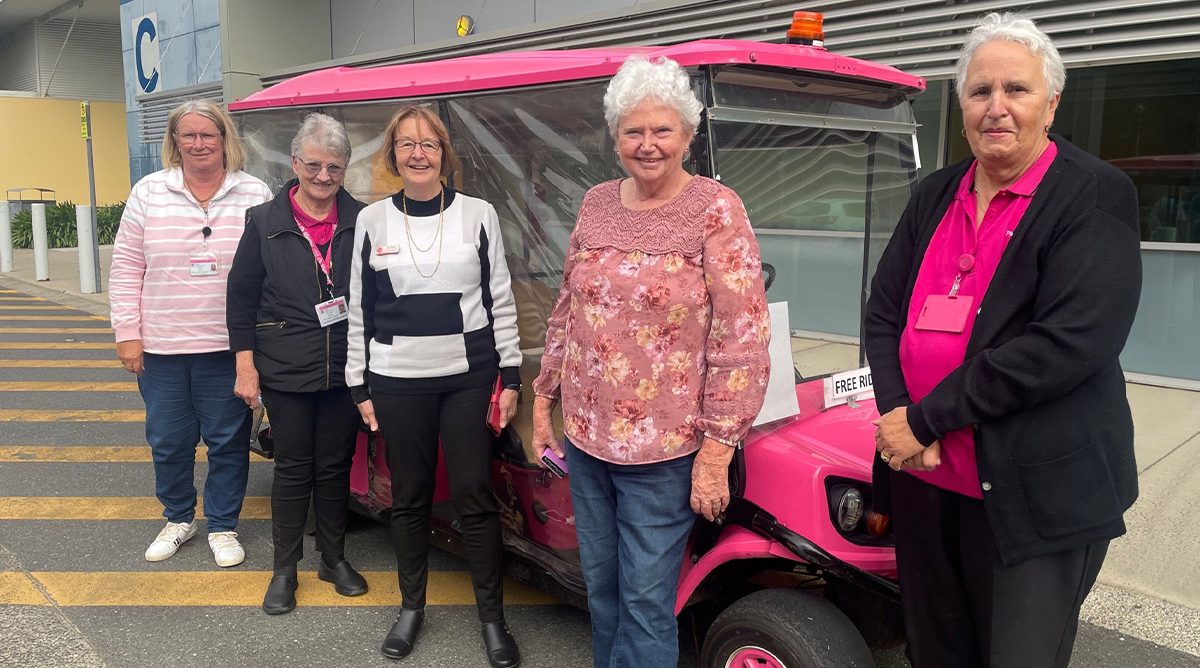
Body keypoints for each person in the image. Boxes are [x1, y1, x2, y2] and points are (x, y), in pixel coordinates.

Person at [864, 13, 1142, 668]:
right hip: (927, 484)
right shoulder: (934, 194)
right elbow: (882, 314)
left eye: (1015, 90)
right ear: (960, 104)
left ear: (1051, 102)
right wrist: (902, 418)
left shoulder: (1093, 195)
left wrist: (928, 419)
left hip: (1035, 493)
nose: (996, 108)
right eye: (979, 91)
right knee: (935, 653)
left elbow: (1069, 342)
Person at [530, 55, 771, 668]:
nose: (648, 144)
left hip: (664, 452)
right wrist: (542, 398)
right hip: (586, 442)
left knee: (644, 600)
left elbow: (742, 334)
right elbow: (568, 306)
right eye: (634, 131)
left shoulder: (716, 209)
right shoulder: (595, 204)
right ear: (615, 138)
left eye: (662, 130)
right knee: (603, 589)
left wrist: (717, 450)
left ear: (688, 136)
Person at [345, 105, 523, 667]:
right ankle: (411, 607)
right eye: (405, 144)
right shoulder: (373, 222)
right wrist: (359, 385)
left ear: (444, 153)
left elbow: (500, 299)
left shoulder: (479, 215)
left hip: (468, 377)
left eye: (428, 143)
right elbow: (360, 310)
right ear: (392, 155)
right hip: (396, 379)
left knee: (473, 492)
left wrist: (511, 374)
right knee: (410, 496)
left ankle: (492, 619)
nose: (417, 153)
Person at [110, 100, 272, 567]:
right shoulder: (149, 191)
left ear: (226, 139)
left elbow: (269, 270)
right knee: (168, 440)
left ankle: (223, 525)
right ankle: (179, 518)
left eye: (209, 134)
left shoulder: (253, 192)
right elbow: (125, 266)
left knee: (227, 440)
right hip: (162, 347)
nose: (199, 143)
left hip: (230, 348)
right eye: (189, 135)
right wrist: (127, 332)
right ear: (175, 142)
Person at [226, 113, 369, 614]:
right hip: (285, 366)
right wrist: (245, 365)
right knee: (293, 469)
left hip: (346, 368)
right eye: (314, 165)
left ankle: (332, 559)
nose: (323, 176)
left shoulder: (363, 218)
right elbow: (240, 298)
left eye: (334, 166)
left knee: (334, 469)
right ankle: (285, 569)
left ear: (346, 167)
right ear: (295, 163)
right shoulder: (264, 222)